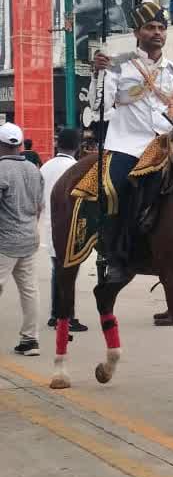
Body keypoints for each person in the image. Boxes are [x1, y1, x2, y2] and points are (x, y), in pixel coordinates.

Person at [89, 0, 173, 283]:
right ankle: (116, 256)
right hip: (128, 145)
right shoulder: (117, 66)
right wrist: (98, 73)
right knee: (113, 190)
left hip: (168, 144)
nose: (157, 33)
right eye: (150, 27)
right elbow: (100, 104)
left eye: (161, 27)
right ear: (137, 32)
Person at [1, 122, 44, 356]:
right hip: (29, 239)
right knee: (29, 291)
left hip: (5, 243)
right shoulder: (33, 170)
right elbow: (39, 207)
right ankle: (30, 341)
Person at [39, 128, 88, 333]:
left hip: (49, 225)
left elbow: (39, 200)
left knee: (56, 270)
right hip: (70, 227)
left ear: (58, 144)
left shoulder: (46, 167)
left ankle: (55, 314)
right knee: (68, 273)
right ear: (78, 147)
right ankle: (68, 317)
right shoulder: (76, 169)